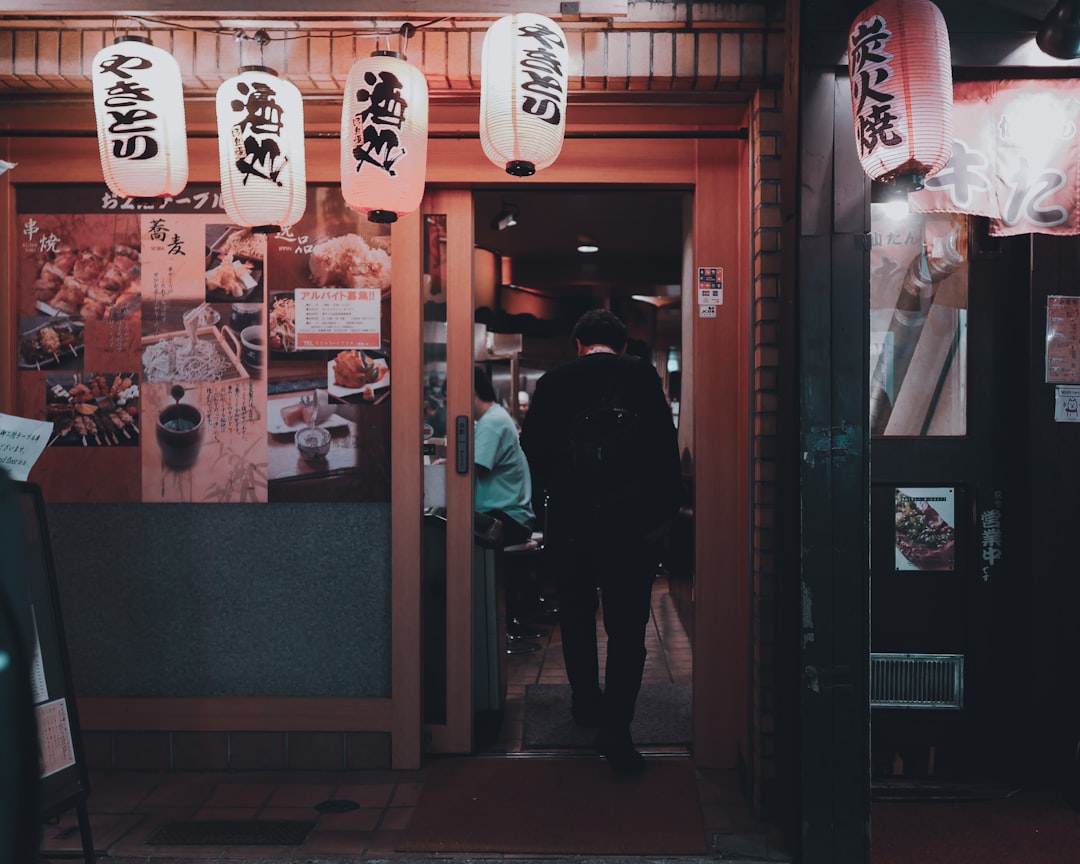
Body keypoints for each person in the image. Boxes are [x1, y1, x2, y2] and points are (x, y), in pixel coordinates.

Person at [520, 308, 682, 774]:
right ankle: (617, 727)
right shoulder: (639, 375)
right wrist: (664, 514)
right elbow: (662, 448)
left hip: (572, 524)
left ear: (578, 343)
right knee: (627, 629)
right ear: (623, 344)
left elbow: (533, 451)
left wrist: (553, 499)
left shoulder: (553, 382)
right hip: (630, 526)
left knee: (575, 617)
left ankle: (586, 704)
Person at [473, 365, 534, 548]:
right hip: (508, 517)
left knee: (447, 529)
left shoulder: (492, 422)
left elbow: (468, 471)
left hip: (507, 519)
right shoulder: (495, 416)